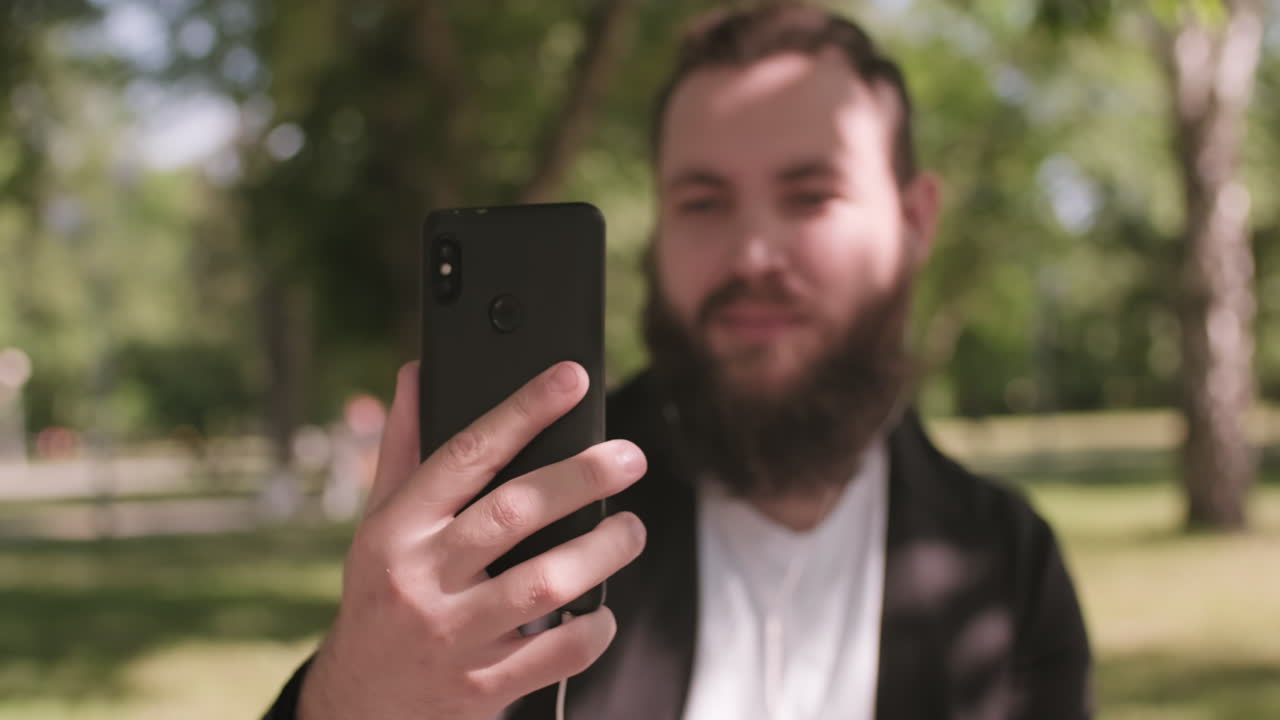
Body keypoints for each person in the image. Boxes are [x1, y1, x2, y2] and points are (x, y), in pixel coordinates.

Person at [264, 4, 1092, 719]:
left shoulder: (1007, 564)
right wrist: (356, 695)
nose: (753, 254)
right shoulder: (528, 522)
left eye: (811, 195)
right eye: (703, 202)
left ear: (915, 220)